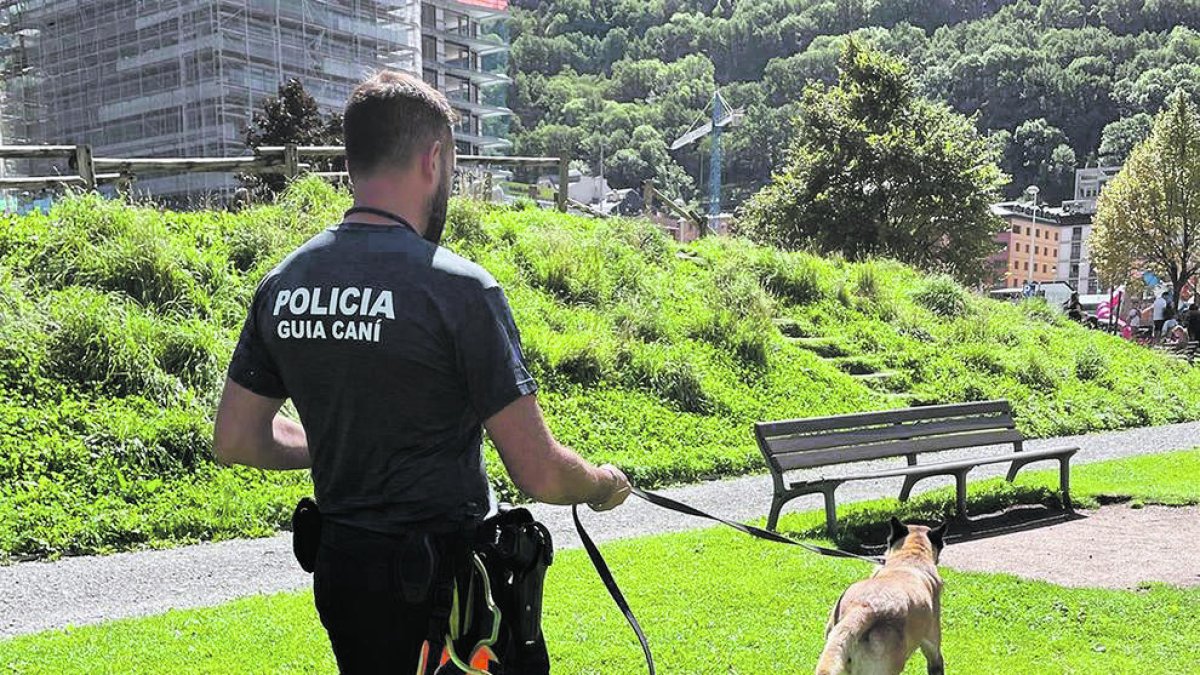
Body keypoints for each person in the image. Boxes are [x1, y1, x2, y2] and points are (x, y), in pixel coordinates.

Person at [212, 71, 631, 673]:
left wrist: (338, 443)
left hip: (344, 577)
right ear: (434, 159)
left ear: (353, 161)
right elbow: (538, 471)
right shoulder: (459, 289)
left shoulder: (285, 284)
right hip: (446, 600)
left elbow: (236, 438)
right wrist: (600, 484)